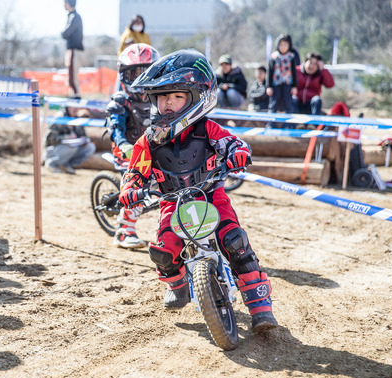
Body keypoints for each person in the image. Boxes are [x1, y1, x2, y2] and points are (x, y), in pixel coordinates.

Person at [118, 49, 278, 333]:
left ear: (196, 96)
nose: (167, 103)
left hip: (211, 194)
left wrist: (238, 153)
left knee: (235, 241)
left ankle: (259, 306)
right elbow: (136, 170)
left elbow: (233, 143)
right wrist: (131, 187)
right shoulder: (149, 141)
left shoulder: (208, 129)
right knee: (164, 251)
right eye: (162, 97)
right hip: (171, 203)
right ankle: (178, 287)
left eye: (176, 96)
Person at [106, 43, 160, 249]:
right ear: (123, 75)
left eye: (146, 72)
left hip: (153, 150)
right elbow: (115, 128)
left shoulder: (160, 99)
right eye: (134, 73)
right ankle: (123, 231)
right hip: (127, 152)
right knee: (137, 184)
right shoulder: (121, 101)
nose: (140, 78)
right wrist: (123, 145)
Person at [44, 104, 96, 174]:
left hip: (71, 148)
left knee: (90, 147)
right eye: (73, 105)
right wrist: (66, 137)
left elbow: (83, 135)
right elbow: (49, 139)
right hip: (53, 149)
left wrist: (84, 140)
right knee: (72, 147)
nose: (76, 108)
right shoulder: (59, 118)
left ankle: (67, 165)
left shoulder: (78, 118)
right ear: (68, 106)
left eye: (77, 106)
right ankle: (51, 164)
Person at [266, 33, 297, 115]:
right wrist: (268, 86)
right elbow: (269, 72)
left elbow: (294, 73)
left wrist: (294, 86)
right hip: (275, 83)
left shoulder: (291, 57)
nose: (283, 47)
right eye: (281, 45)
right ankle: (271, 123)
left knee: (288, 103)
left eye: (285, 45)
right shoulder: (274, 57)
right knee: (273, 104)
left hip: (287, 83)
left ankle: (288, 124)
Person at [61, 0, 83, 98]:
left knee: (72, 76)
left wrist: (62, 33)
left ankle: (76, 96)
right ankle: (73, 95)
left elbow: (66, 33)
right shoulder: (73, 16)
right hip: (74, 50)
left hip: (74, 50)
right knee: (71, 75)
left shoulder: (74, 16)